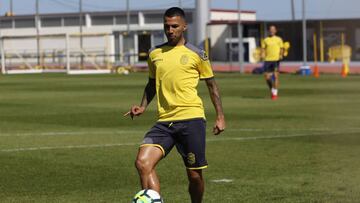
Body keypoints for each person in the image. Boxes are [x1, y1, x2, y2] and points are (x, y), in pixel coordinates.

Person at [124, 7, 226, 203]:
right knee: (143, 162)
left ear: (184, 27)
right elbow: (152, 83)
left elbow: (212, 85)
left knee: (194, 176)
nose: (170, 30)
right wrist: (143, 106)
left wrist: (220, 116)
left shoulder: (198, 54)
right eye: (166, 26)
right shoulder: (155, 53)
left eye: (174, 26)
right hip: (164, 121)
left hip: (191, 119)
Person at [261, 25, 284, 100]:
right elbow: (263, 49)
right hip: (267, 60)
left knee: (276, 76)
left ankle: (275, 93)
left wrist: (281, 55)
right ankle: (272, 89)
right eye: (270, 29)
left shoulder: (279, 39)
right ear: (269, 31)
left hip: (276, 60)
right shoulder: (266, 40)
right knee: (267, 77)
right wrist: (263, 54)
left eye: (273, 29)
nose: (271, 31)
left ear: (275, 31)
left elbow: (281, 48)